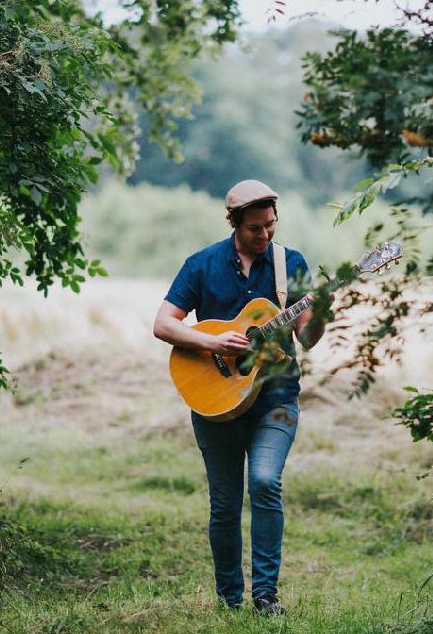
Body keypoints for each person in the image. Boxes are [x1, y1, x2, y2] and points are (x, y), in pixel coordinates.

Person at [152, 179, 328, 616]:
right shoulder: (202, 264)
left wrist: (321, 315)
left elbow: (307, 338)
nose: (264, 236)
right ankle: (230, 599)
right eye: (254, 228)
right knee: (226, 504)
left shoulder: (292, 264)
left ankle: (265, 597)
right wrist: (211, 344)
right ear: (234, 223)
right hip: (216, 400)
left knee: (266, 483)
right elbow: (163, 324)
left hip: (276, 398)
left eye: (270, 226)